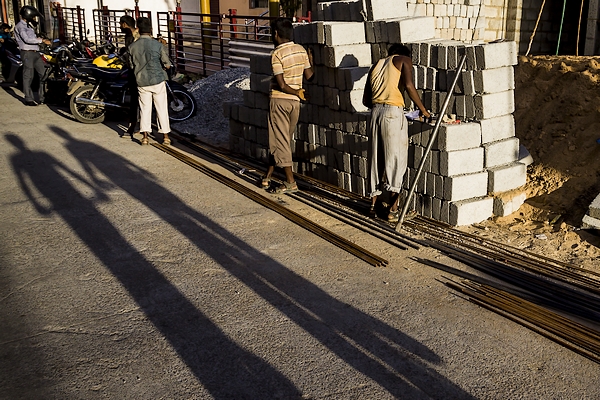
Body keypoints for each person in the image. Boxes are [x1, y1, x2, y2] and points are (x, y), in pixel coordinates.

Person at [362, 43, 431, 223]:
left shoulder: (376, 65)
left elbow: (365, 100)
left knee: (375, 160)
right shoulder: (403, 60)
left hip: (375, 113)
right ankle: (393, 210)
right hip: (392, 114)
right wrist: (423, 110)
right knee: (396, 160)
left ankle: (372, 205)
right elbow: (408, 85)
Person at [261, 17, 313, 194]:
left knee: (280, 142)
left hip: (280, 100)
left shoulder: (276, 54)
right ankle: (267, 176)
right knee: (281, 141)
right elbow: (309, 76)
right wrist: (310, 61)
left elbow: (282, 84)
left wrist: (295, 92)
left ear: (275, 34)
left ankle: (290, 182)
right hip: (294, 105)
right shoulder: (301, 50)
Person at [128, 17, 172, 146]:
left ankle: (145, 137)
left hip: (141, 81)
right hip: (157, 80)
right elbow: (167, 64)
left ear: (139, 30)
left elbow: (131, 65)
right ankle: (165, 137)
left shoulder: (132, 47)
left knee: (144, 109)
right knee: (161, 108)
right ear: (151, 30)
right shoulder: (158, 45)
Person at [13, 6, 51, 106]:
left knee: (43, 74)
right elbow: (27, 40)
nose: (34, 18)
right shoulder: (20, 26)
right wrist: (41, 40)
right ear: (28, 15)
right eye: (33, 16)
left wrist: (41, 39)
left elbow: (33, 38)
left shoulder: (28, 26)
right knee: (28, 76)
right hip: (27, 53)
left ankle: (42, 97)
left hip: (35, 52)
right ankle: (28, 99)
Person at [119, 15, 140, 137]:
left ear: (125, 24)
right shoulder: (128, 36)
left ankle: (135, 126)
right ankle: (133, 125)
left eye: (121, 24)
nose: (120, 27)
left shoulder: (137, 36)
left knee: (137, 101)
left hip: (138, 72)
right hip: (132, 71)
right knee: (134, 100)